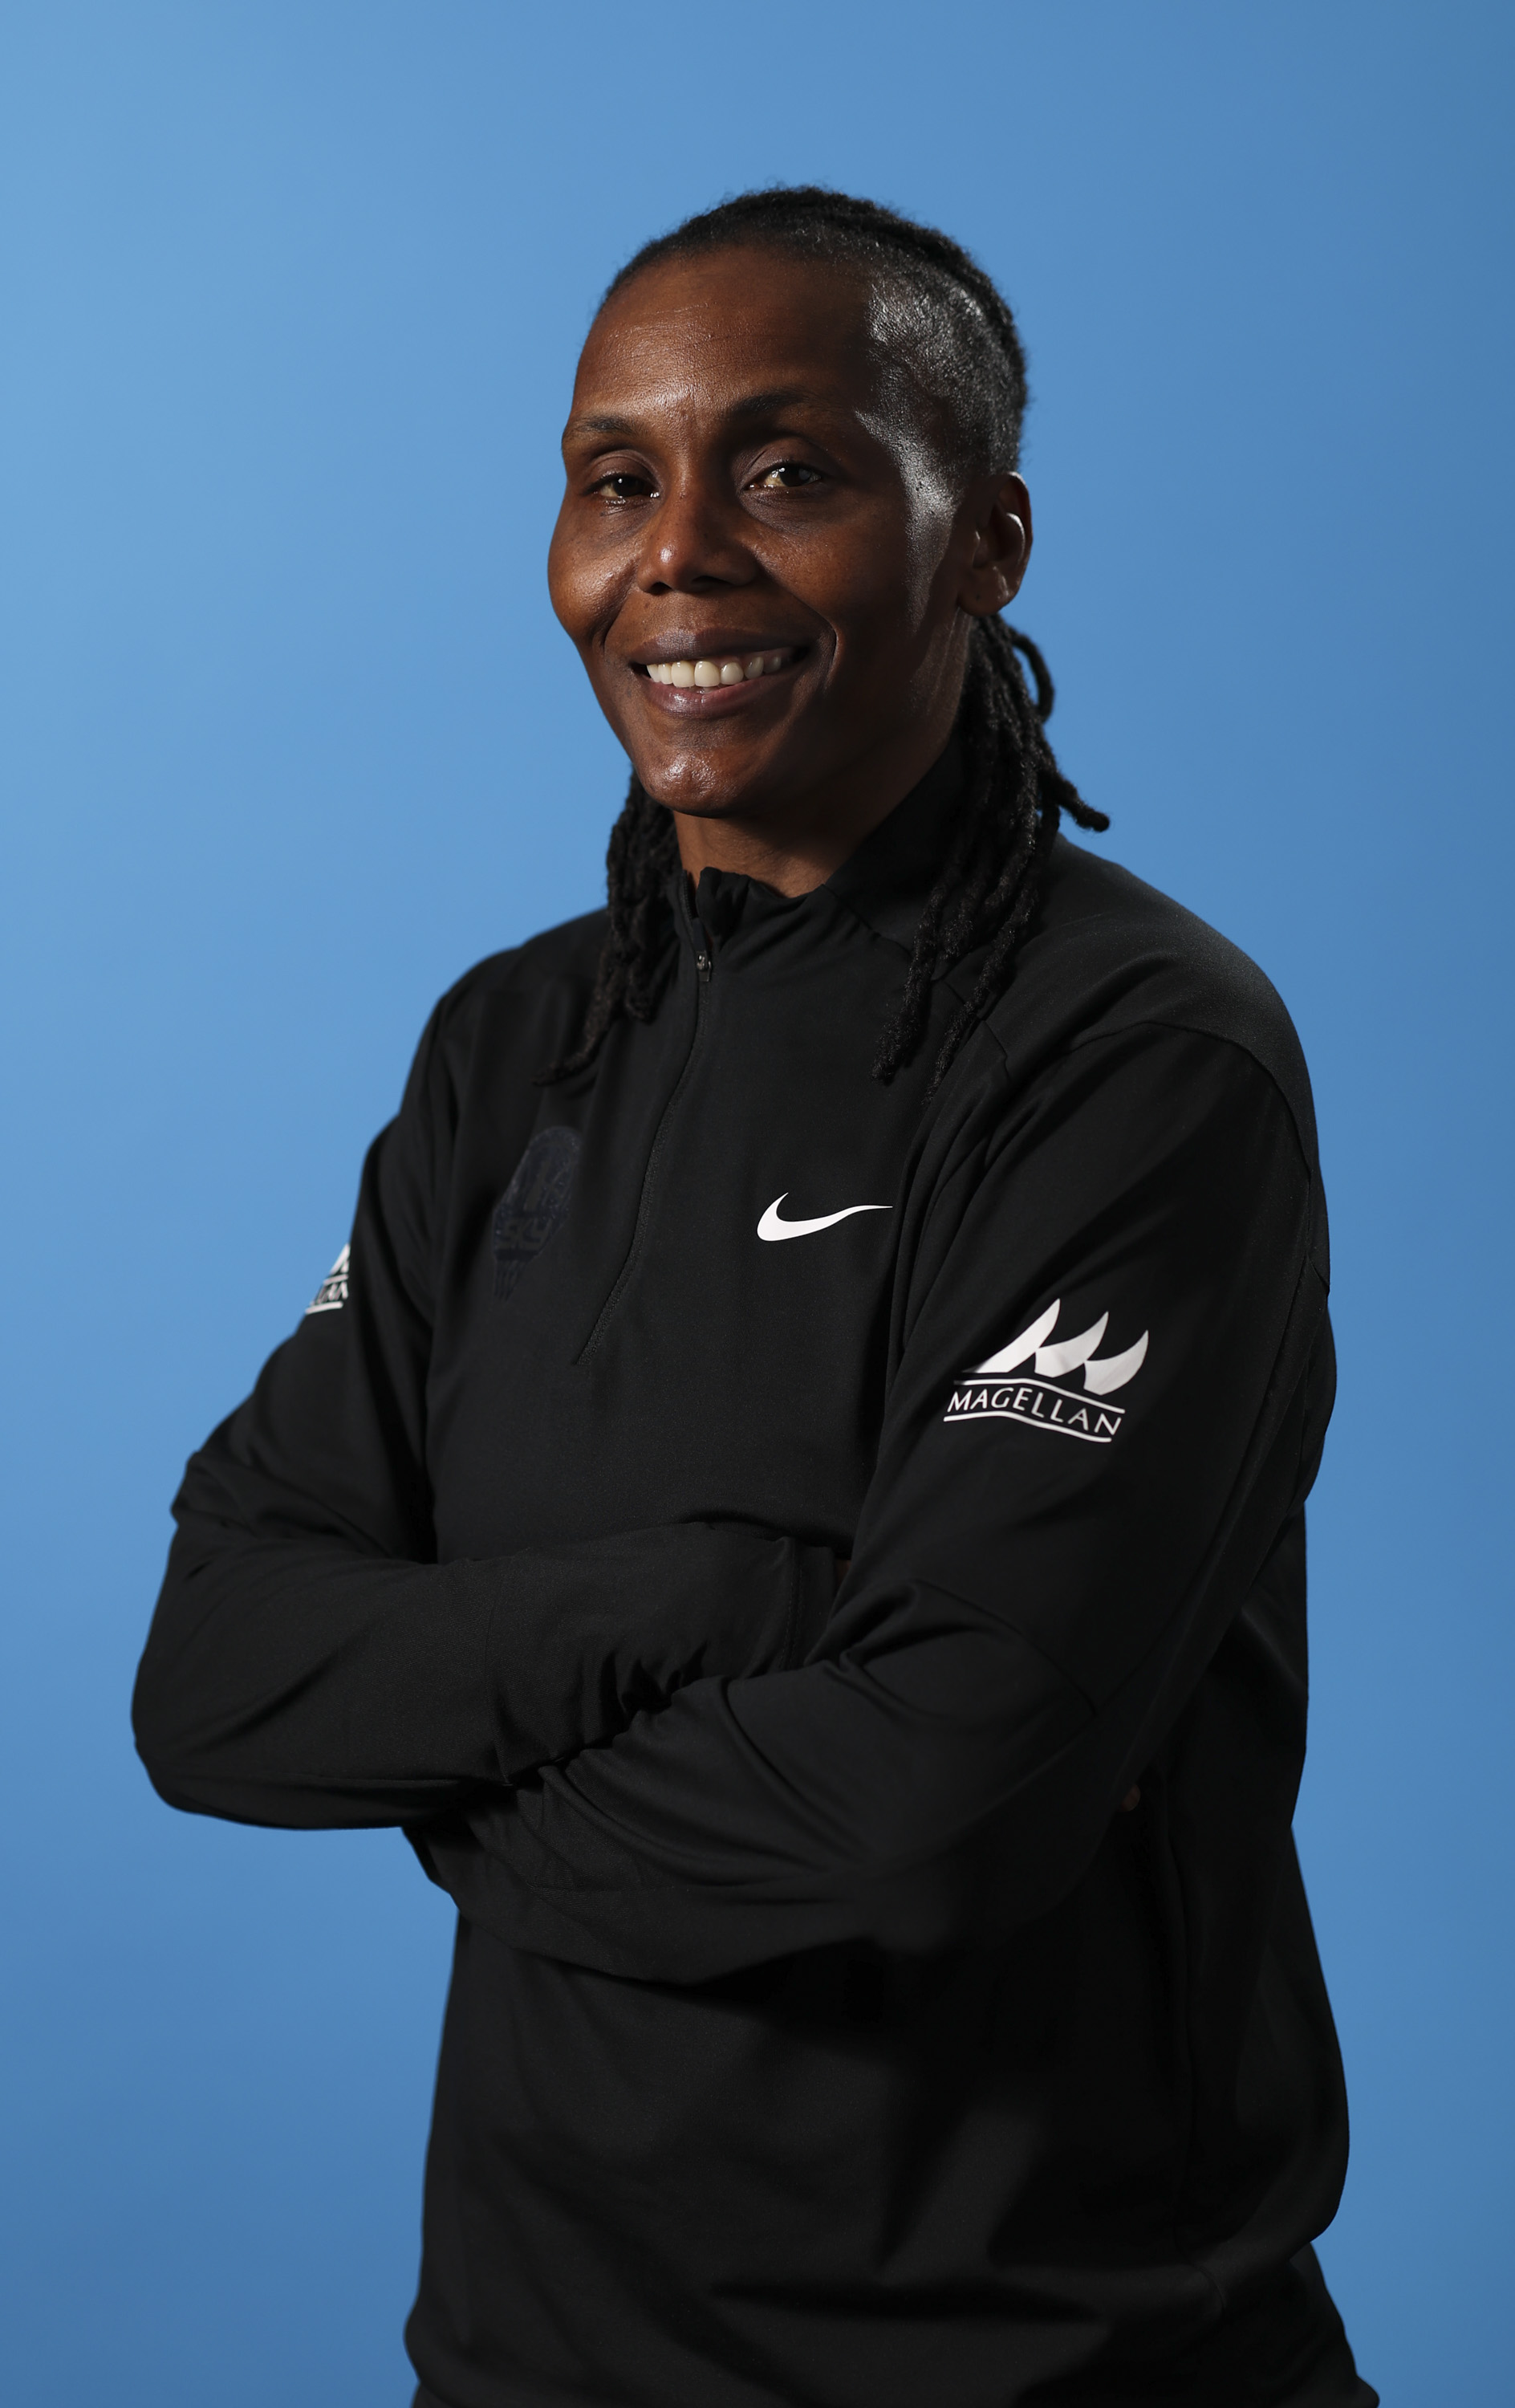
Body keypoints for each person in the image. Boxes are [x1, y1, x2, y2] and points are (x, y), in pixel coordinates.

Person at [133, 186, 1375, 2408]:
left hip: (1064, 2372)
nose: (675, 553)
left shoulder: (1135, 1058)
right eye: (617, 479)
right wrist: (709, 1603)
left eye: (785, 469)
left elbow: (940, 1810)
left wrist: (453, 1772)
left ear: (987, 540)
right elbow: (217, 1678)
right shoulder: (511, 1051)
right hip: (531, 2365)